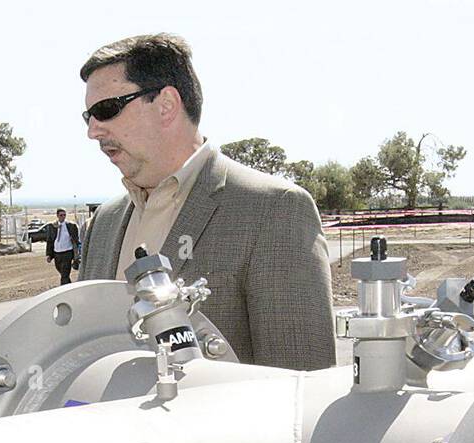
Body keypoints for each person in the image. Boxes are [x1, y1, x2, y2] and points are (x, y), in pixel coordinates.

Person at [77, 33, 335, 371]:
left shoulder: (275, 211)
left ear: (167, 104)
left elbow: (301, 387)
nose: (93, 131)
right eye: (88, 117)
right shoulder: (104, 223)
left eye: (106, 110)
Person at [45, 208, 81, 284]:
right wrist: (49, 255)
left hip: (67, 253)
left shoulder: (71, 226)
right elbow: (50, 241)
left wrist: (77, 254)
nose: (63, 217)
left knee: (65, 274)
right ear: (57, 216)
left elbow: (76, 240)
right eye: (61, 215)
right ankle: (70, 287)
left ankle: (64, 289)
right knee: (62, 273)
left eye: (64, 215)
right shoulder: (52, 227)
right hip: (57, 254)